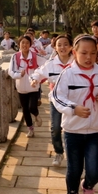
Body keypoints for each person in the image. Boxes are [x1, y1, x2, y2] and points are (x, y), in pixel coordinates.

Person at [52, 34, 98, 194]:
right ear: (74, 52)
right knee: (74, 169)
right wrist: (73, 109)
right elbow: (56, 96)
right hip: (73, 131)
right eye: (84, 53)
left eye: (93, 53)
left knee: (96, 171)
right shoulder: (67, 74)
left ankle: (87, 185)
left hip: (95, 130)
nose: (89, 57)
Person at [31, 34, 73, 167]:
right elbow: (38, 73)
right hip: (56, 100)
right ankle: (59, 152)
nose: (62, 47)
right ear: (55, 47)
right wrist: (34, 80)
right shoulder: (51, 63)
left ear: (71, 47)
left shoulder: (77, 63)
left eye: (65, 44)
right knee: (55, 127)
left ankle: (73, 154)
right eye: (59, 45)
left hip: (74, 100)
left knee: (72, 129)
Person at [8, 35, 42, 138]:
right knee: (25, 109)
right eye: (22, 43)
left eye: (27, 43)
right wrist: (19, 75)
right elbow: (11, 71)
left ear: (30, 45)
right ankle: (30, 129)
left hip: (33, 87)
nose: (25, 45)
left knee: (32, 107)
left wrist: (38, 78)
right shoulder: (15, 57)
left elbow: (44, 67)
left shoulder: (35, 56)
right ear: (19, 44)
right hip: (21, 88)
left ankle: (36, 114)